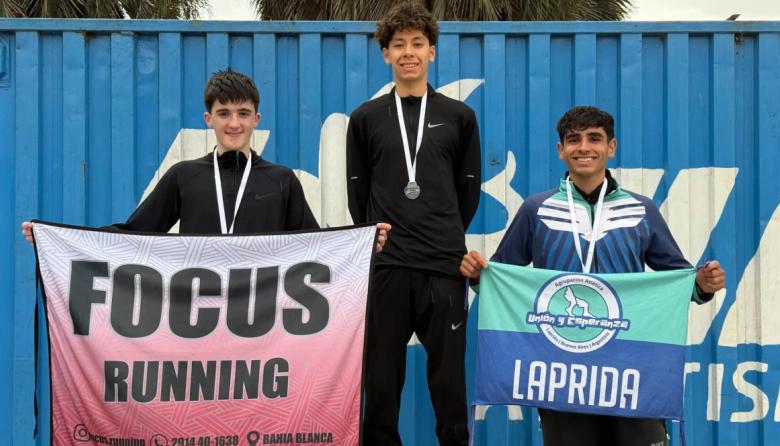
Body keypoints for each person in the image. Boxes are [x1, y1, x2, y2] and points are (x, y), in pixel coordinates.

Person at [460, 105, 726, 446]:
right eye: (574, 140)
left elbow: (676, 278)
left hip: (632, 370)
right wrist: (477, 275)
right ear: (561, 150)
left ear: (611, 147)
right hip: (561, 371)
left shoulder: (641, 209)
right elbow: (498, 279)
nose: (583, 147)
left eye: (594, 139)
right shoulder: (536, 209)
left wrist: (702, 285)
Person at [22, 69, 389, 248]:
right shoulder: (184, 176)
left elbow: (314, 246)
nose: (234, 123)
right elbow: (134, 235)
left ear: (256, 120)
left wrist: (361, 244)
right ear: (208, 119)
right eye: (224, 113)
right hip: (197, 321)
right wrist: (55, 238)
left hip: (266, 322)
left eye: (243, 113)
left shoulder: (281, 180)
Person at [346, 2, 481, 445]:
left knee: (448, 384)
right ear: (385, 54)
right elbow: (357, 191)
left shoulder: (459, 117)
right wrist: (375, 235)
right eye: (398, 44)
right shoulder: (365, 118)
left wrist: (444, 235)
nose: (408, 52)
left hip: (445, 266)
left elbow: (467, 191)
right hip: (387, 267)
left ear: (432, 53)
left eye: (417, 44)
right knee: (381, 382)